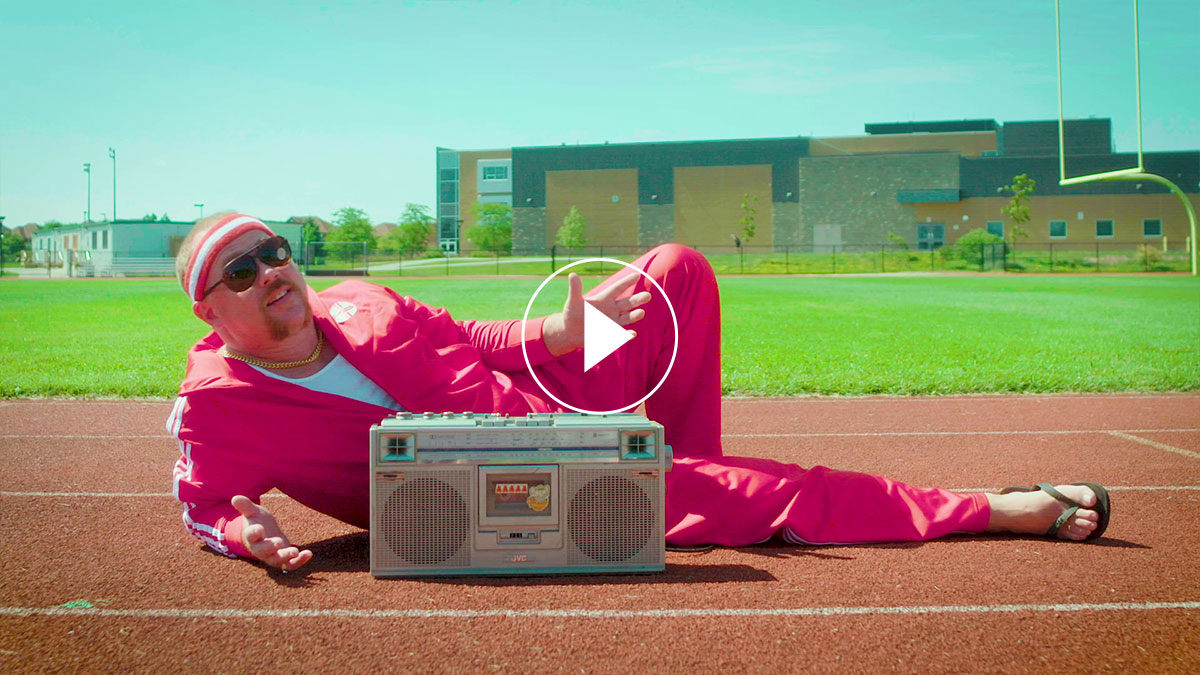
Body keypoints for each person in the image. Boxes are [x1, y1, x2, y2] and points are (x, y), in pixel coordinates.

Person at [170, 212, 1110, 572]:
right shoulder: (218, 404)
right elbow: (206, 504)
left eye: (275, 251)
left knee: (676, 270)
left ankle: (684, 460)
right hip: (516, 481)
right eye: (241, 271)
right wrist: (246, 535)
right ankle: (994, 508)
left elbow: (471, 341)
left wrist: (559, 332)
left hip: (546, 390)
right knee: (767, 494)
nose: (271, 272)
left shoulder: (360, 299)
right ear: (213, 312)